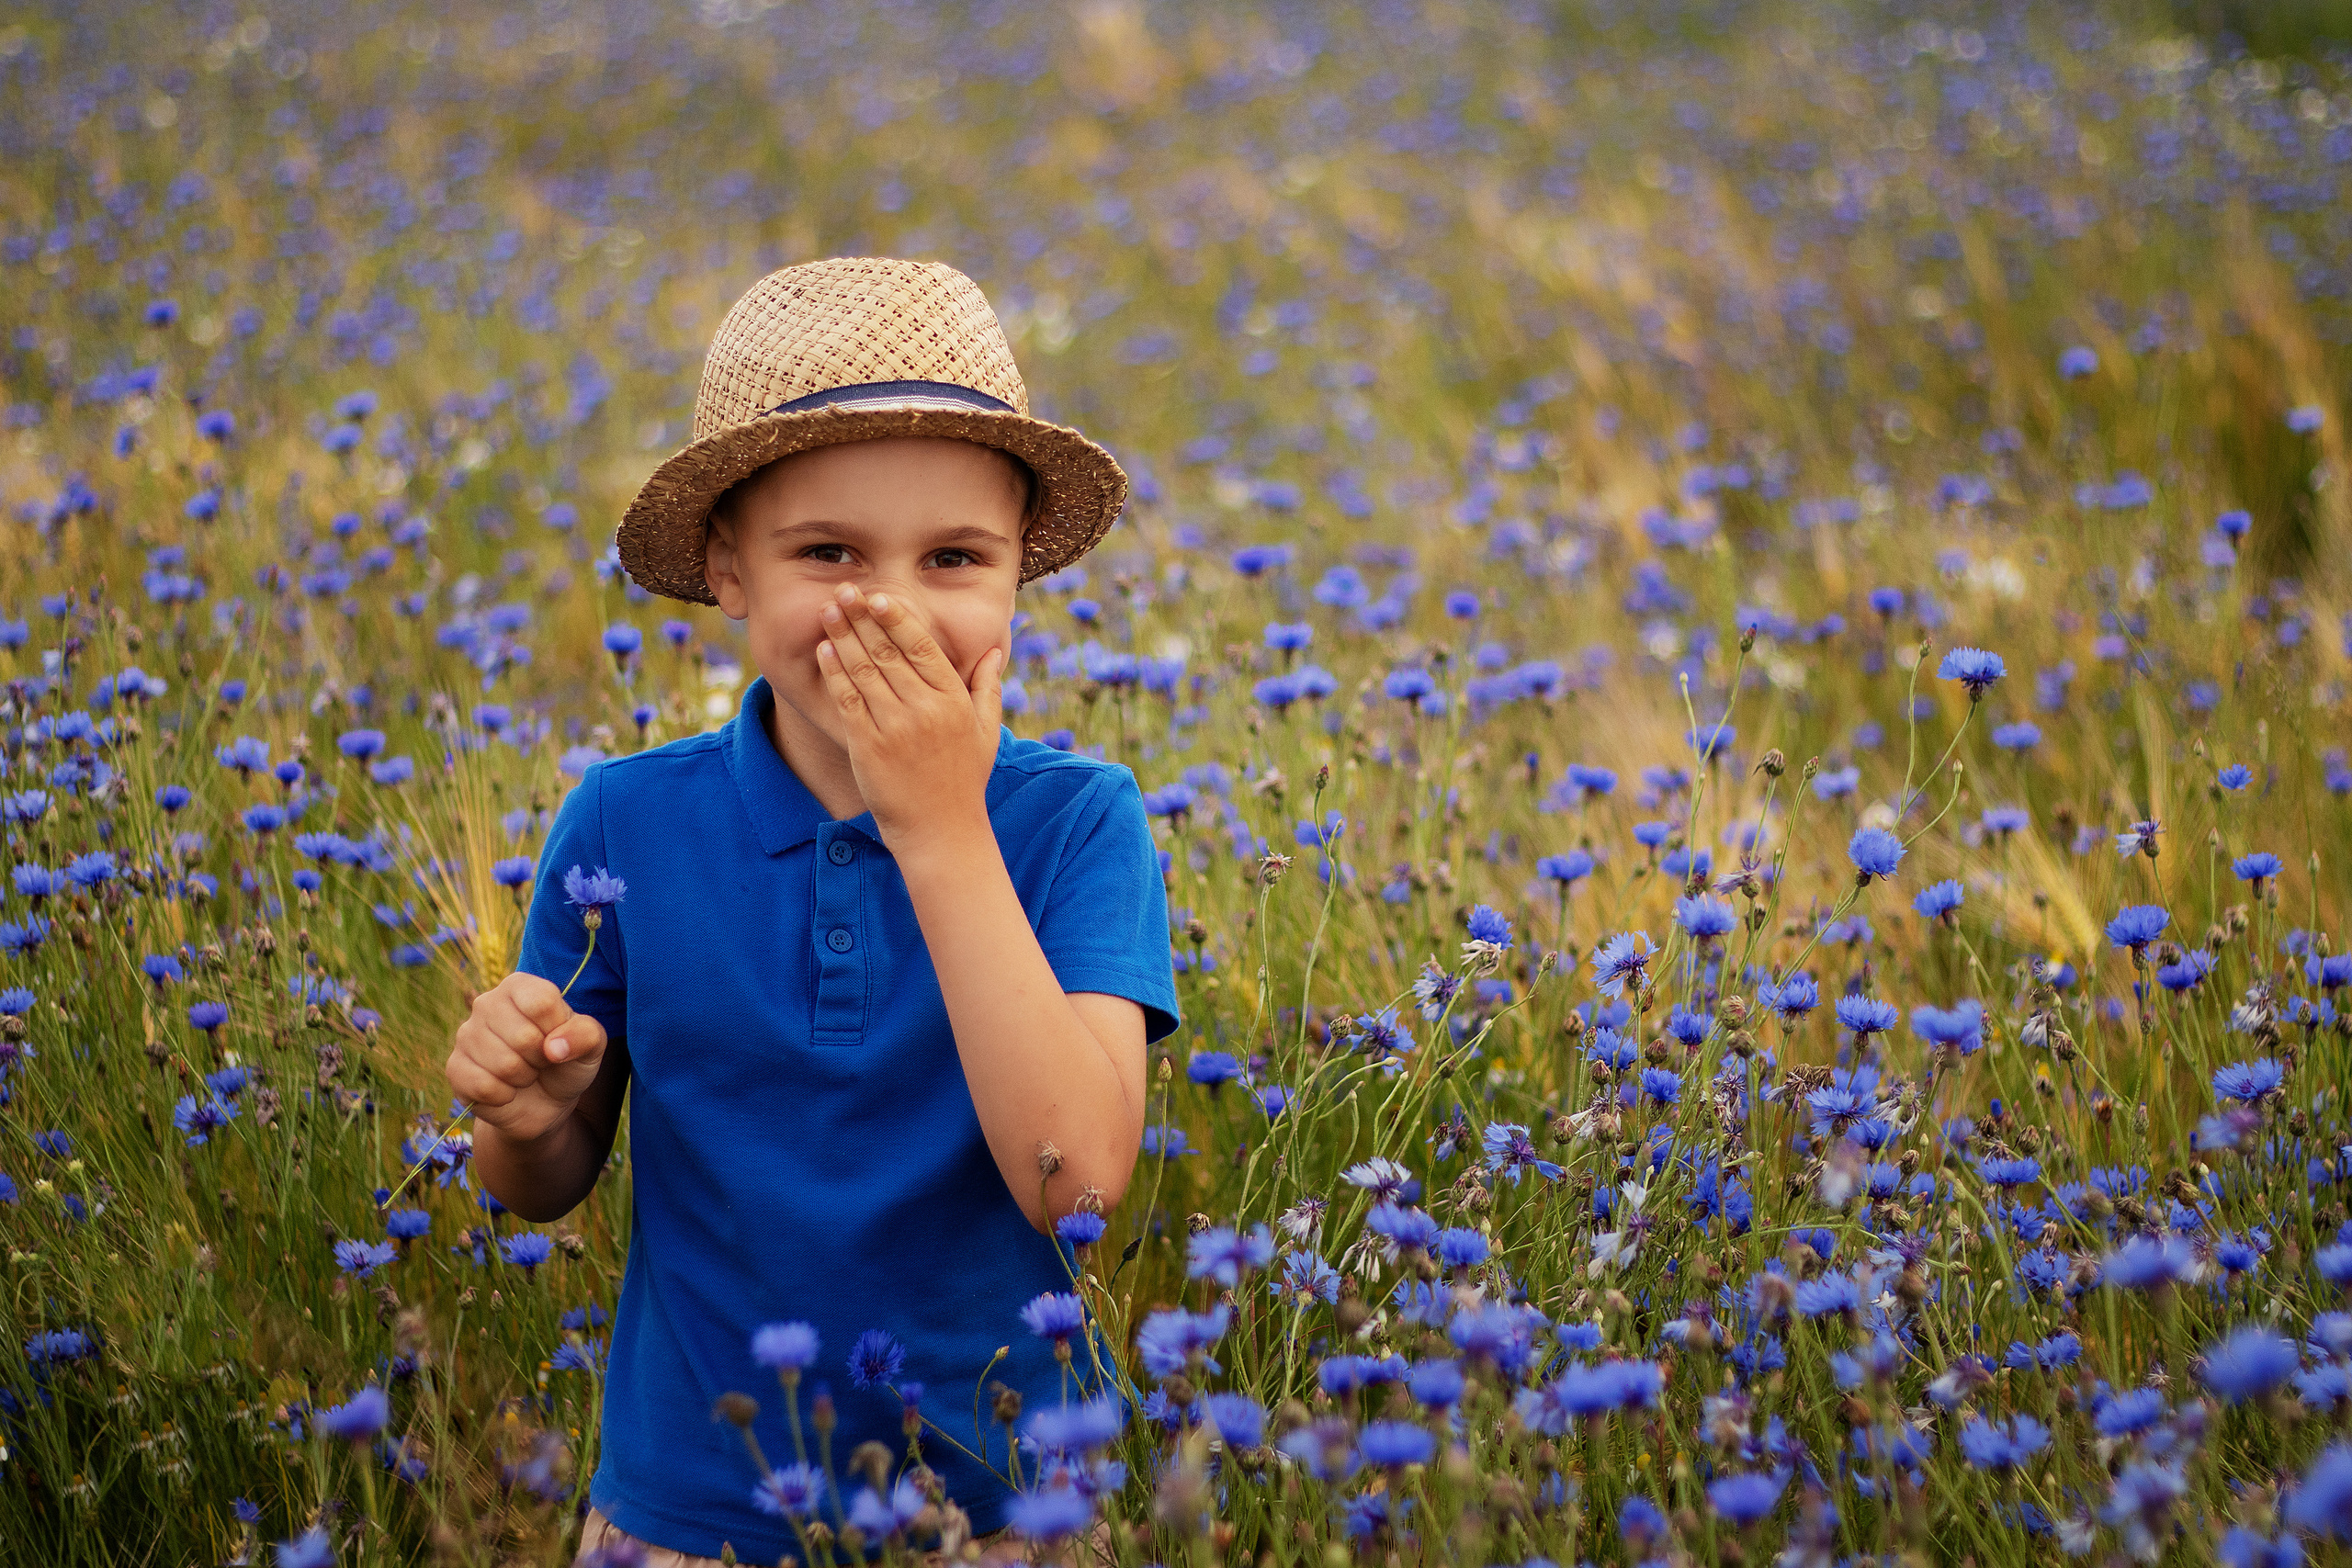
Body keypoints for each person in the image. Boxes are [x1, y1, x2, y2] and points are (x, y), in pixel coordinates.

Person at [445, 257, 1180, 1567]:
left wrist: (942, 827)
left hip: (1005, 1515)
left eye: (954, 557)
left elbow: (1077, 1185)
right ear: (728, 567)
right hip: (692, 1522)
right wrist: (523, 1117)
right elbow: (544, 1186)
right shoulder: (625, 825)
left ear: (1021, 576)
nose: (887, 604)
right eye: (827, 551)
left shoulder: (1076, 823)